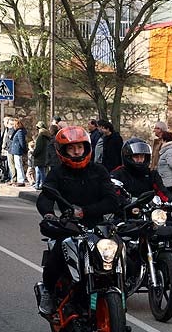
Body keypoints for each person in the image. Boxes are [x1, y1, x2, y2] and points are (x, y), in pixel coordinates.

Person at [35, 126, 120, 315]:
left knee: (117, 251)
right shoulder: (57, 173)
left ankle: (117, 290)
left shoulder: (99, 171)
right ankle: (48, 291)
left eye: (80, 147)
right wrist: (49, 214)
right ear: (63, 151)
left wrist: (86, 211)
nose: (76, 152)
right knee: (58, 250)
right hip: (68, 227)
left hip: (97, 227)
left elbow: (112, 200)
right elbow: (46, 196)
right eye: (71, 148)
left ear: (86, 148)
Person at [156, 131, 172, 197]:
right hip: (167, 179)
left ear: (165, 140)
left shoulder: (169, 151)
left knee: (167, 198)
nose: (161, 142)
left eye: (162, 140)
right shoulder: (169, 150)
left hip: (168, 180)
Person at [9, 118, 28, 187]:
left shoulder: (20, 132)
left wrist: (24, 150)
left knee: (19, 166)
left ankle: (21, 180)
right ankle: (20, 180)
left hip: (18, 151)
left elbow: (22, 142)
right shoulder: (18, 131)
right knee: (18, 166)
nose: (13, 126)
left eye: (14, 124)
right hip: (16, 150)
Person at [32, 122, 51, 189]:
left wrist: (34, 153)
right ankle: (40, 184)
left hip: (40, 156)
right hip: (45, 156)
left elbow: (39, 147)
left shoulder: (41, 136)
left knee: (40, 171)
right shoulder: (47, 135)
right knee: (41, 171)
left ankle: (41, 184)